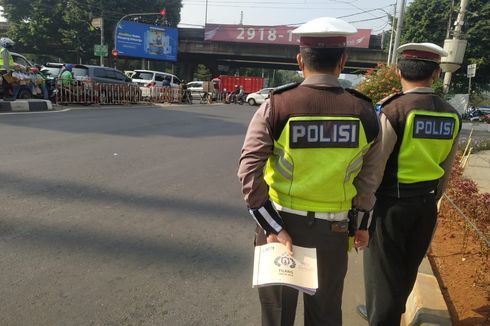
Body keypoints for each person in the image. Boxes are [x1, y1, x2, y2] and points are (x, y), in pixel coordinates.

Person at [238, 17, 383, 326]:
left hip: (280, 230)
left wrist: (273, 228)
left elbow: (249, 171)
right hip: (333, 234)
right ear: (343, 61)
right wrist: (361, 224)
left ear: (300, 60)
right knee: (326, 315)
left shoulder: (276, 105)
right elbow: (369, 180)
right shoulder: (366, 113)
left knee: (277, 317)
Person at [357, 43, 461, 325]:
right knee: (407, 268)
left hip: (390, 206)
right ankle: (385, 311)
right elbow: (447, 168)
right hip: (426, 204)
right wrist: (432, 198)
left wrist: (362, 211)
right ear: (436, 74)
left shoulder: (394, 110)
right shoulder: (451, 114)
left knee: (383, 272)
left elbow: (374, 168)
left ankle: (382, 317)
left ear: (398, 71)